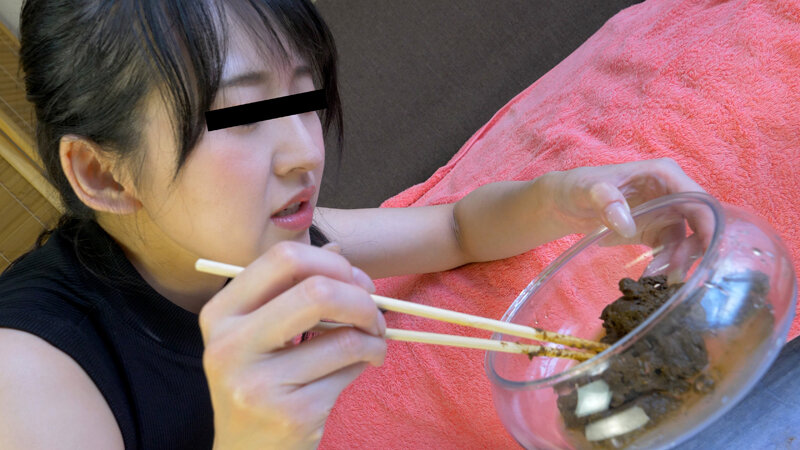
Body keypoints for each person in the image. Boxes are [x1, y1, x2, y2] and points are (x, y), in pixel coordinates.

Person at [0, 0, 708, 448]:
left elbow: (455, 232)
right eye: (240, 116)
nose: (304, 152)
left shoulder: (247, 240)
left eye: (302, 95)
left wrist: (565, 197)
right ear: (103, 174)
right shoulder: (28, 377)